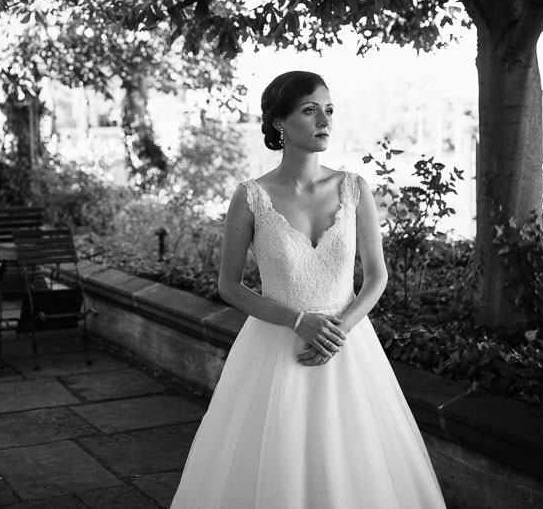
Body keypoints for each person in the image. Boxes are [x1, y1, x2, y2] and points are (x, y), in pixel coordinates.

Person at [171, 71, 445, 508]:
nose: (324, 120)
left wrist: (338, 331)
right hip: (276, 348)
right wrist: (299, 320)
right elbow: (229, 285)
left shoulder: (354, 189)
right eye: (309, 110)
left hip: (348, 347)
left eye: (330, 110)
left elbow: (377, 277)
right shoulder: (251, 196)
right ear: (280, 122)